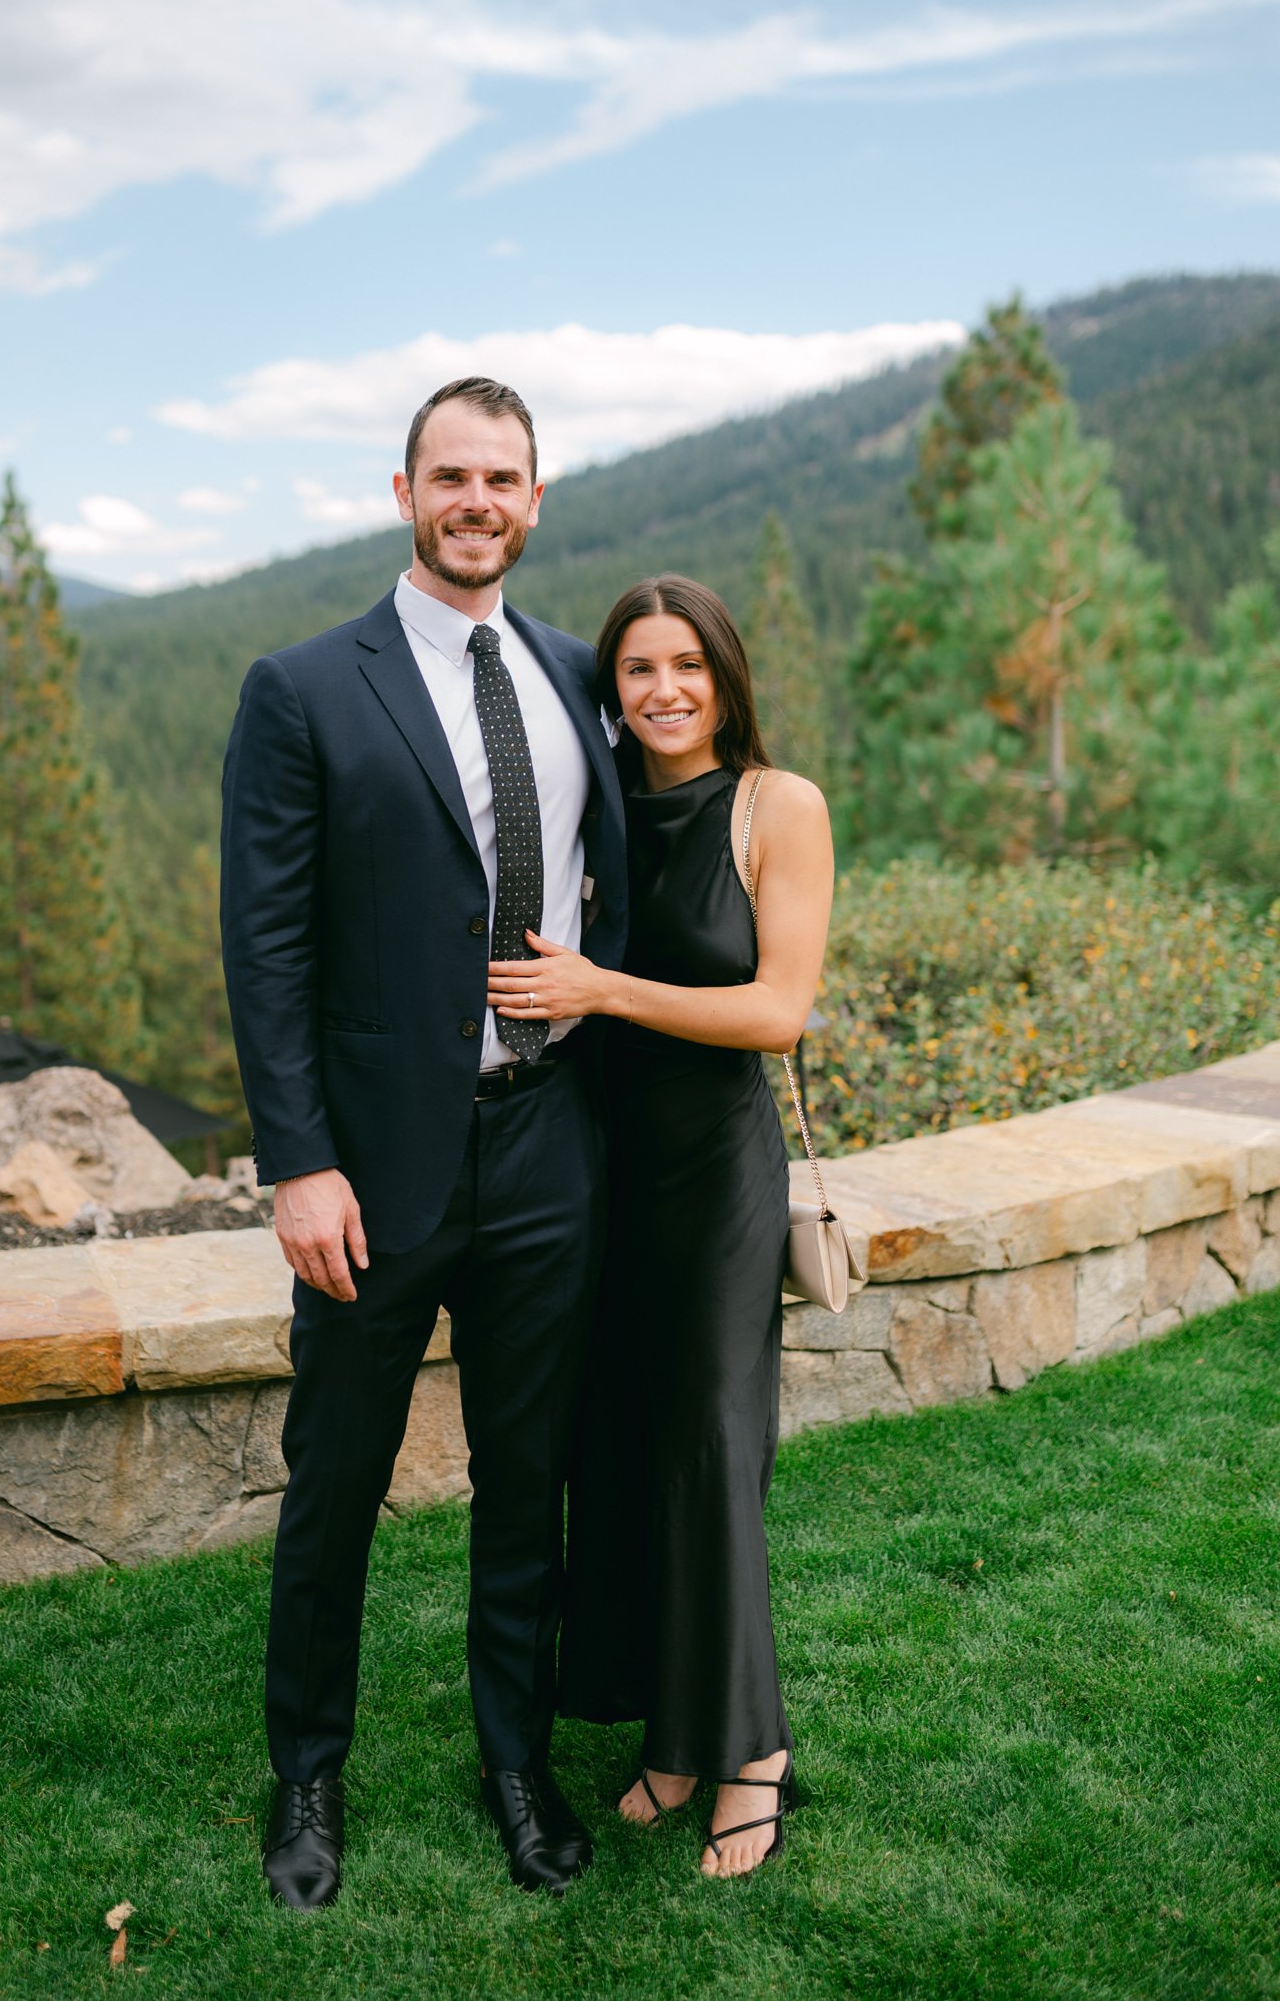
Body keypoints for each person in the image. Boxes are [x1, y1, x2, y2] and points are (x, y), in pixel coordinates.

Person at [219, 376, 628, 1912]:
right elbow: (265, 945)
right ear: (404, 492)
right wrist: (296, 1158)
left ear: (537, 498)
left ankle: (516, 1765)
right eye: (449, 475)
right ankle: (307, 1774)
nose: (477, 501)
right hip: (373, 1171)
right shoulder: (307, 686)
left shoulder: (582, 677)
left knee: (531, 1483)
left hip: (548, 1149)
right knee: (336, 1479)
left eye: (503, 478)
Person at [484, 574, 834, 1880]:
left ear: (725, 675)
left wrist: (601, 988)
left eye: (687, 664)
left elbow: (778, 1011)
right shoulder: (606, 809)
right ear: (611, 690)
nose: (665, 689)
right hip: (600, 1169)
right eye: (638, 669)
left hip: (713, 1175)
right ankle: (672, 1737)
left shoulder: (775, 806)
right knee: (620, 1449)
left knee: (710, 1444)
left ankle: (753, 1754)